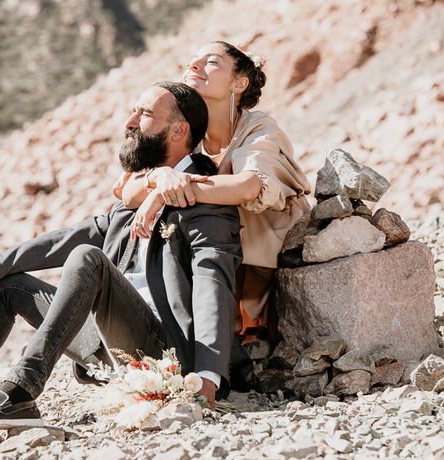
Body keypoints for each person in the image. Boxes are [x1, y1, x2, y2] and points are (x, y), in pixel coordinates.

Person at [0, 81, 243, 433]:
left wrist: (206, 377)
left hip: (166, 355)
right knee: (11, 286)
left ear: (178, 131)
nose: (129, 121)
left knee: (87, 259)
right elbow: (60, 240)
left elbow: (214, 284)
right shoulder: (139, 193)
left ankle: (21, 390)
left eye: (143, 115)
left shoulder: (205, 197)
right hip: (108, 348)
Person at [114, 41, 311, 346]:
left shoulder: (259, 129)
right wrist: (160, 177)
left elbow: (249, 186)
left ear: (239, 82)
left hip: (269, 262)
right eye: (192, 60)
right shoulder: (187, 132)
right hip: (217, 255)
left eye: (212, 62)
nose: (194, 65)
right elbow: (128, 190)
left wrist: (169, 190)